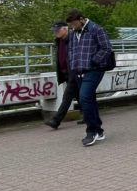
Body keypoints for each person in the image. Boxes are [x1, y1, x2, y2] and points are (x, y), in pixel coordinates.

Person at [67, 9, 113, 146]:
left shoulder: (96, 29)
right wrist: (73, 63)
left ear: (81, 19)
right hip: (79, 70)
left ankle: (91, 131)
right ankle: (98, 131)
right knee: (89, 99)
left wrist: (94, 61)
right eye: (71, 25)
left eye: (74, 24)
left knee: (84, 98)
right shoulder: (73, 34)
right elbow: (72, 49)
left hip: (94, 69)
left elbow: (106, 47)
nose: (73, 27)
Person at [44, 20, 79, 130]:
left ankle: (56, 121)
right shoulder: (60, 41)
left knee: (67, 97)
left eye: (57, 30)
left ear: (64, 29)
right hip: (66, 73)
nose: (55, 33)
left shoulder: (73, 39)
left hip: (73, 72)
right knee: (79, 95)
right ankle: (90, 115)